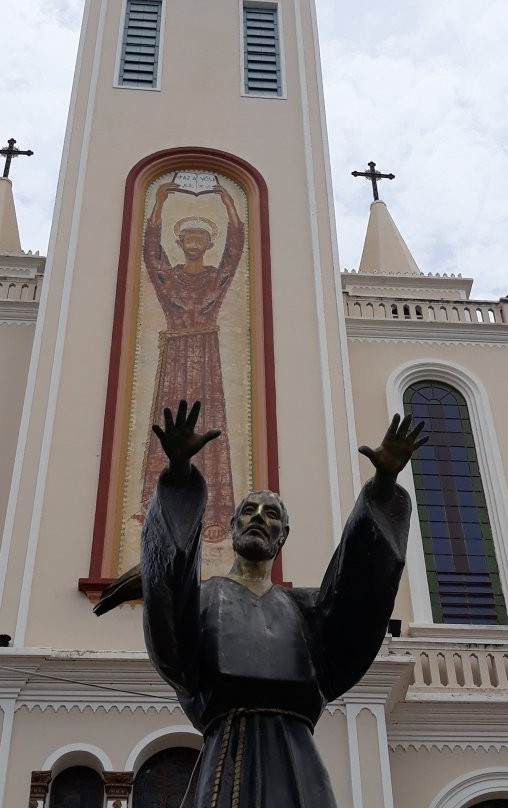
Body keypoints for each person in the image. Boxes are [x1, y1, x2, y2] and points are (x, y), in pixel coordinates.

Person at [140, 399, 426, 808]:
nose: (259, 518)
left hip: (299, 764)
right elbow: (168, 597)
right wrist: (180, 475)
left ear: (283, 536)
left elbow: (358, 593)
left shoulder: (308, 611)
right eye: (248, 512)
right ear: (234, 526)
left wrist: (382, 485)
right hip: (227, 760)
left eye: (271, 514)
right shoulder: (204, 600)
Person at [140, 182, 244, 541]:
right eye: (188, 238)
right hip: (175, 357)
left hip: (206, 355)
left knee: (209, 426)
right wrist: (158, 203)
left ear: (208, 244)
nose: (194, 242)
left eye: (201, 237)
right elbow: (151, 255)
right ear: (181, 243)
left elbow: (235, 252)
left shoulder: (217, 278)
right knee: (167, 426)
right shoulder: (169, 277)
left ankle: (215, 514)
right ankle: (156, 504)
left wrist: (231, 206)